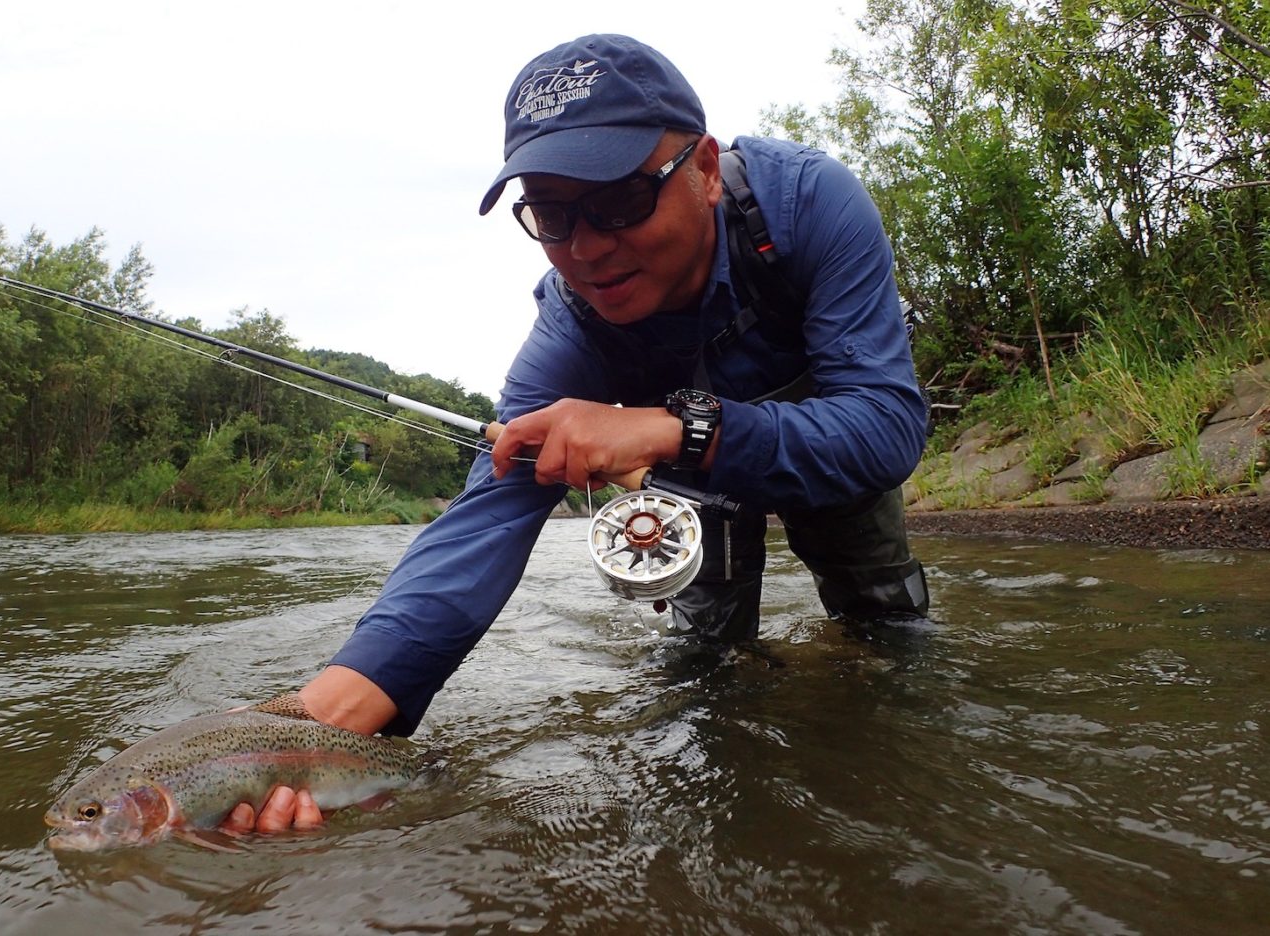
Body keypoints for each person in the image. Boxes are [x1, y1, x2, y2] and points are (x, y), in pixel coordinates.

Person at [221, 33, 929, 835]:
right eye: (552, 216)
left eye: (620, 202)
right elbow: (486, 518)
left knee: (889, 634)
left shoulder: (811, 205)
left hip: (823, 446)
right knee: (706, 675)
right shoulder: (567, 334)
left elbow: (886, 424)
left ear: (701, 168)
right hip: (696, 474)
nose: (586, 249)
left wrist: (670, 429)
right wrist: (323, 715)